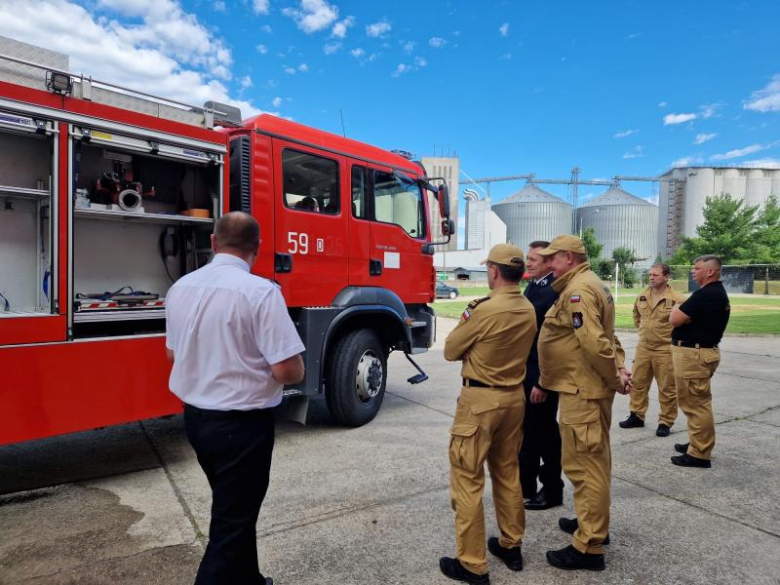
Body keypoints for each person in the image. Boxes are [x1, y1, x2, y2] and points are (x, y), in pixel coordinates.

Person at [165, 212, 305, 585]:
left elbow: (173, 355)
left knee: (235, 511)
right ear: (256, 249)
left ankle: (249, 579)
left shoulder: (180, 288)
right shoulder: (261, 292)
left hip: (197, 422)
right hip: (241, 429)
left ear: (213, 243)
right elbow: (288, 371)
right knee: (231, 524)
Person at [440, 244, 537, 584]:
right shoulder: (527, 308)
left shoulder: (483, 308)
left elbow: (451, 350)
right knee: (508, 472)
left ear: (494, 271)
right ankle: (511, 544)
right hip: (513, 399)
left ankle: (472, 563)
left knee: (467, 478)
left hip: (480, 400)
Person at [537, 234, 631, 572]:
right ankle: (593, 525)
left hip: (584, 392)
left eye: (553, 258)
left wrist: (614, 377)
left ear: (569, 257)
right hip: (584, 389)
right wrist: (619, 367)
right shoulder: (590, 284)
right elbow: (610, 336)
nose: (548, 263)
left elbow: (593, 343)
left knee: (584, 468)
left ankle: (588, 547)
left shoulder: (579, 290)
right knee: (594, 464)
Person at [669, 255, 730, 468]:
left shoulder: (707, 294)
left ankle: (700, 453)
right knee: (694, 402)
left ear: (710, 271)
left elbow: (674, 318)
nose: (693, 272)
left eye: (697, 268)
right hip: (698, 354)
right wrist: (683, 312)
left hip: (694, 356)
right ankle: (698, 442)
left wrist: (679, 310)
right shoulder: (712, 294)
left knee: (696, 404)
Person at [518, 241, 564, 511]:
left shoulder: (553, 290)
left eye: (534, 259)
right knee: (529, 432)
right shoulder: (535, 285)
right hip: (529, 371)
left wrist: (543, 381)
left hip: (541, 376)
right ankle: (526, 486)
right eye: (527, 258)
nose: (529, 263)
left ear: (549, 262)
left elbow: (553, 343)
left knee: (546, 433)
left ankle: (552, 489)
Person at [619, 263, 686, 437]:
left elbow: (684, 323)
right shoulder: (642, 296)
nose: (651, 277)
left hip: (665, 349)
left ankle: (665, 421)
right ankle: (636, 415)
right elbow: (636, 317)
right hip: (644, 347)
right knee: (637, 383)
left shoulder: (677, 298)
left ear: (666, 277)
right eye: (650, 275)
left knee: (667, 387)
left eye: (656, 275)